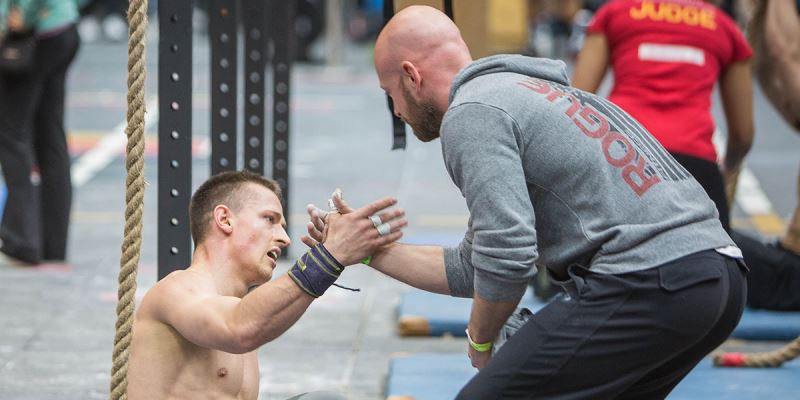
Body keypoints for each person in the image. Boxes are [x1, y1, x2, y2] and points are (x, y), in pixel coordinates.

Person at [307, 5, 747, 398]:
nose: (398, 111)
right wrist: (365, 250)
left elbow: (508, 257)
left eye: (391, 95)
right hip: (719, 280)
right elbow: (476, 266)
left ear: (411, 75)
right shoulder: (535, 95)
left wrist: (483, 341)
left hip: (651, 282)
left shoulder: (473, 112)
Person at [126, 170, 407, 399]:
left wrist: (334, 259)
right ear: (224, 219)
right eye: (269, 220)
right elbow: (239, 329)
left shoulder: (240, 308)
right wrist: (328, 257)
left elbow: (251, 322)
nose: (284, 238)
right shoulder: (178, 290)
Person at [571, 0, 755, 233]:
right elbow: (743, 134)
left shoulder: (615, 12)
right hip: (694, 168)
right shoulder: (723, 26)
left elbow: (576, 101)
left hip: (621, 158)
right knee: (714, 263)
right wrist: (728, 167)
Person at [0, 0, 87, 264]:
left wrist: (18, 16)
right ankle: (52, 245)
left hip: (37, 35)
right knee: (50, 136)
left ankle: (22, 239)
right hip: (63, 28)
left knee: (11, 134)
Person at [730, 0, 800, 310]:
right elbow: (779, 81)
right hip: (789, 269)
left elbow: (784, 53)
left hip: (792, 278)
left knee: (695, 248)